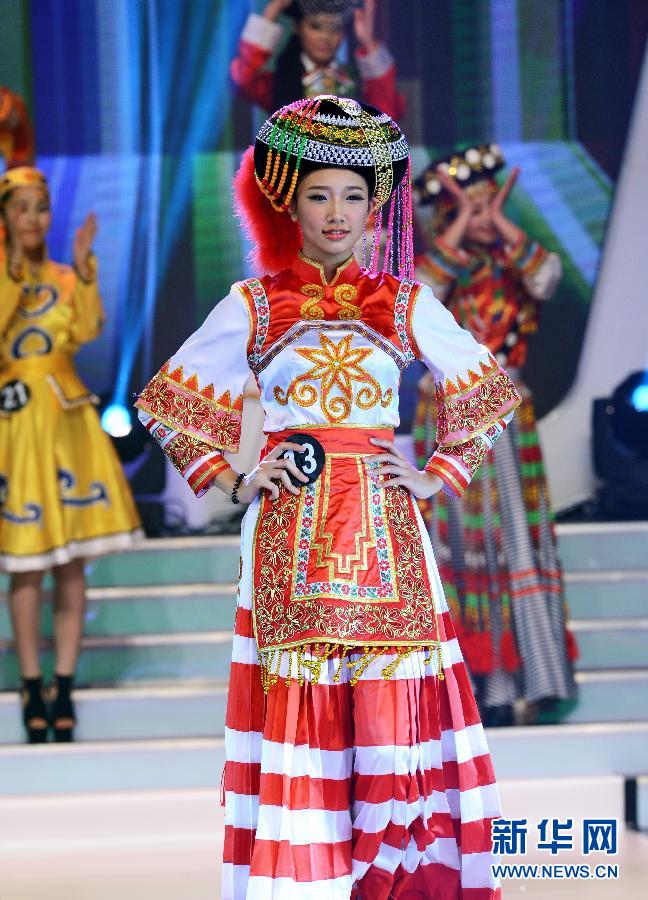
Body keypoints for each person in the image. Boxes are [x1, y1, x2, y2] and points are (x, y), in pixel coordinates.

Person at [136, 96, 520, 898]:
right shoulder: (255, 303)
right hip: (292, 531)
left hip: (387, 531)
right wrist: (236, 480)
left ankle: (393, 882)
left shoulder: (403, 301)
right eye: (319, 194)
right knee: (300, 725)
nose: (337, 213)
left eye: (353, 195)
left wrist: (436, 475)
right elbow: (170, 404)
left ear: (377, 203)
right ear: (288, 202)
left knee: (392, 723)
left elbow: (485, 390)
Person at [412, 146, 577, 727]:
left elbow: (548, 277)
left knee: (515, 541)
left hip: (507, 416)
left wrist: (502, 220)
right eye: (467, 208)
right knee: (460, 545)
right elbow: (420, 299)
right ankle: (477, 688)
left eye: (488, 205)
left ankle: (529, 678)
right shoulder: (441, 268)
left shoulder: (516, 264)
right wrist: (460, 222)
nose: (481, 218)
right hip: (451, 415)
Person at [0, 167, 142, 743]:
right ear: (6, 216)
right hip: (15, 423)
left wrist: (85, 269)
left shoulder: (64, 275)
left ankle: (64, 681)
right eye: (22, 208)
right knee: (26, 561)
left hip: (67, 421)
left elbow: (86, 330)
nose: (33, 219)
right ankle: (31, 684)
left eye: (40, 209)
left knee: (71, 562)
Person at [231, 0, 405, 119]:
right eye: (316, 26)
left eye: (334, 28)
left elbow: (387, 115)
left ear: (343, 33)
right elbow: (242, 79)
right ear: (297, 27)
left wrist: (368, 42)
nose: (325, 37)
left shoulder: (353, 80)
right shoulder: (282, 83)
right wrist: (271, 12)